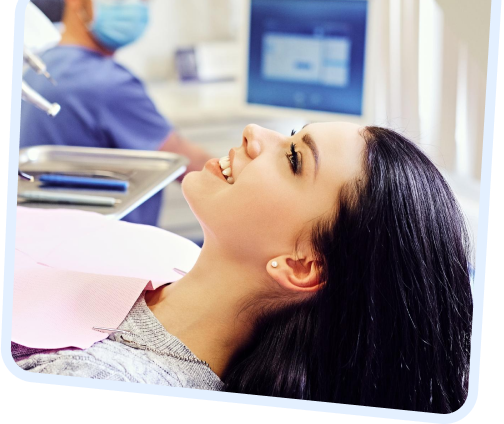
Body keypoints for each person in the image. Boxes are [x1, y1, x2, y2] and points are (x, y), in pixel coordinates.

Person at [13, 122, 473, 413]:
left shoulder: (95, 388)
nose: (255, 134)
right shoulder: (166, 252)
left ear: (299, 266)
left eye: (293, 158)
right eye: (291, 133)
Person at [20, 0, 211, 226]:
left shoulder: (44, 62)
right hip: (106, 249)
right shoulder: (107, 84)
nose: (134, 1)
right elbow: (196, 169)